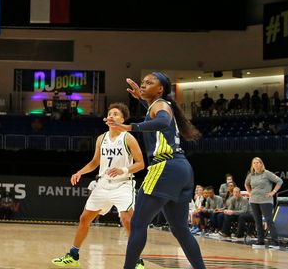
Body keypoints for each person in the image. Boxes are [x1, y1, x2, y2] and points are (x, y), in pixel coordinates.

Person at [110, 73, 205, 269]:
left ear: (160, 89)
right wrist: (142, 98)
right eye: (143, 82)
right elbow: (156, 115)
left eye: (149, 83)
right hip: (182, 169)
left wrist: (129, 126)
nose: (143, 85)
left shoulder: (161, 106)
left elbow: (161, 121)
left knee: (137, 224)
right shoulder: (159, 105)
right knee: (180, 229)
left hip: (165, 167)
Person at [51, 103, 145, 268]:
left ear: (123, 119)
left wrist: (122, 170)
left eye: (116, 114)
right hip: (103, 185)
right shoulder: (101, 138)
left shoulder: (128, 138)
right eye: (109, 113)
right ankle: (73, 255)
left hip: (123, 184)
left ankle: (137, 259)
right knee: (84, 218)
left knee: (127, 219)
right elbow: (95, 162)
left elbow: (140, 164)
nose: (111, 116)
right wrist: (79, 172)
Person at [245, 156, 283, 249]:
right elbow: (246, 183)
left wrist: (273, 192)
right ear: (252, 165)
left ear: (261, 164)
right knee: (257, 221)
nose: (256, 164)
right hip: (254, 200)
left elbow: (280, 181)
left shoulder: (266, 173)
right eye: (254, 163)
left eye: (258, 162)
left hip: (266, 201)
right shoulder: (251, 175)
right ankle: (260, 241)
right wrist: (250, 192)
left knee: (269, 221)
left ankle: (275, 242)